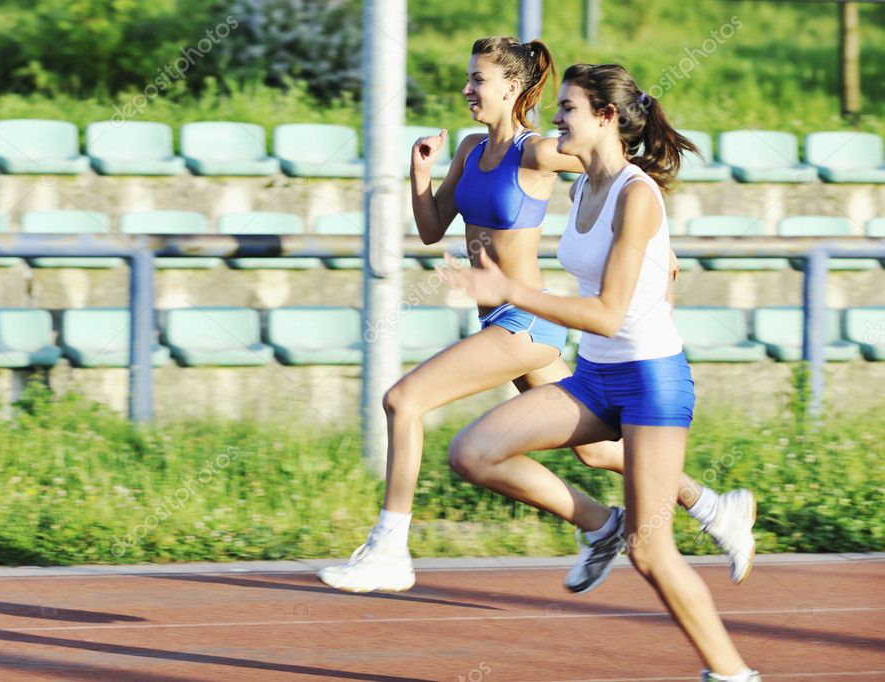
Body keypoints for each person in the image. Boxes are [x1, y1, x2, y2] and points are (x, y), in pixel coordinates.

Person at [318, 37, 755, 601]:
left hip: (524, 324)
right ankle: (699, 510)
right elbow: (431, 228)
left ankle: (389, 550)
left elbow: (613, 165)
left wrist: (655, 243)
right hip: (498, 321)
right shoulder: (471, 149)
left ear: (513, 88)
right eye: (468, 78)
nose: (467, 89)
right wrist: (417, 174)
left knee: (403, 400)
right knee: (594, 451)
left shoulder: (539, 152)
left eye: (478, 79)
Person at [442, 62, 760, 681]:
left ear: (607, 117)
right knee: (473, 452)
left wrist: (509, 288)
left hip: (649, 382)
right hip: (595, 378)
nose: (555, 118)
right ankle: (604, 524)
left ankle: (731, 673)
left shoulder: (637, 194)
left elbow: (609, 314)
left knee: (652, 553)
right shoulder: (581, 186)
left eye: (568, 109)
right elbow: (649, 269)